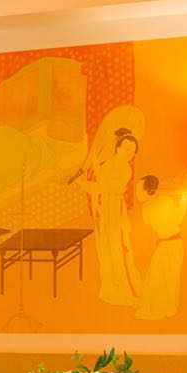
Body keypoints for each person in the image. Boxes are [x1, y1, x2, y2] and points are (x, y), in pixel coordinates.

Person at [78, 127, 142, 306]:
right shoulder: (108, 164)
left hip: (114, 209)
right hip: (104, 209)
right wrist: (88, 176)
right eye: (126, 148)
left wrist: (85, 182)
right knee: (106, 251)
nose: (129, 153)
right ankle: (110, 291)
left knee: (117, 250)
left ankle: (124, 291)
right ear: (117, 147)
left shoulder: (125, 169)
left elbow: (105, 187)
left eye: (132, 150)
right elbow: (101, 185)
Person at [134, 175, 187, 320]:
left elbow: (176, 219)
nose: (136, 193)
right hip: (165, 243)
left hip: (173, 243)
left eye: (139, 190)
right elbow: (177, 218)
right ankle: (164, 308)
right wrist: (183, 200)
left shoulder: (155, 204)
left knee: (169, 277)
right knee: (160, 276)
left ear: (148, 190)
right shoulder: (153, 205)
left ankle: (168, 309)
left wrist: (182, 199)